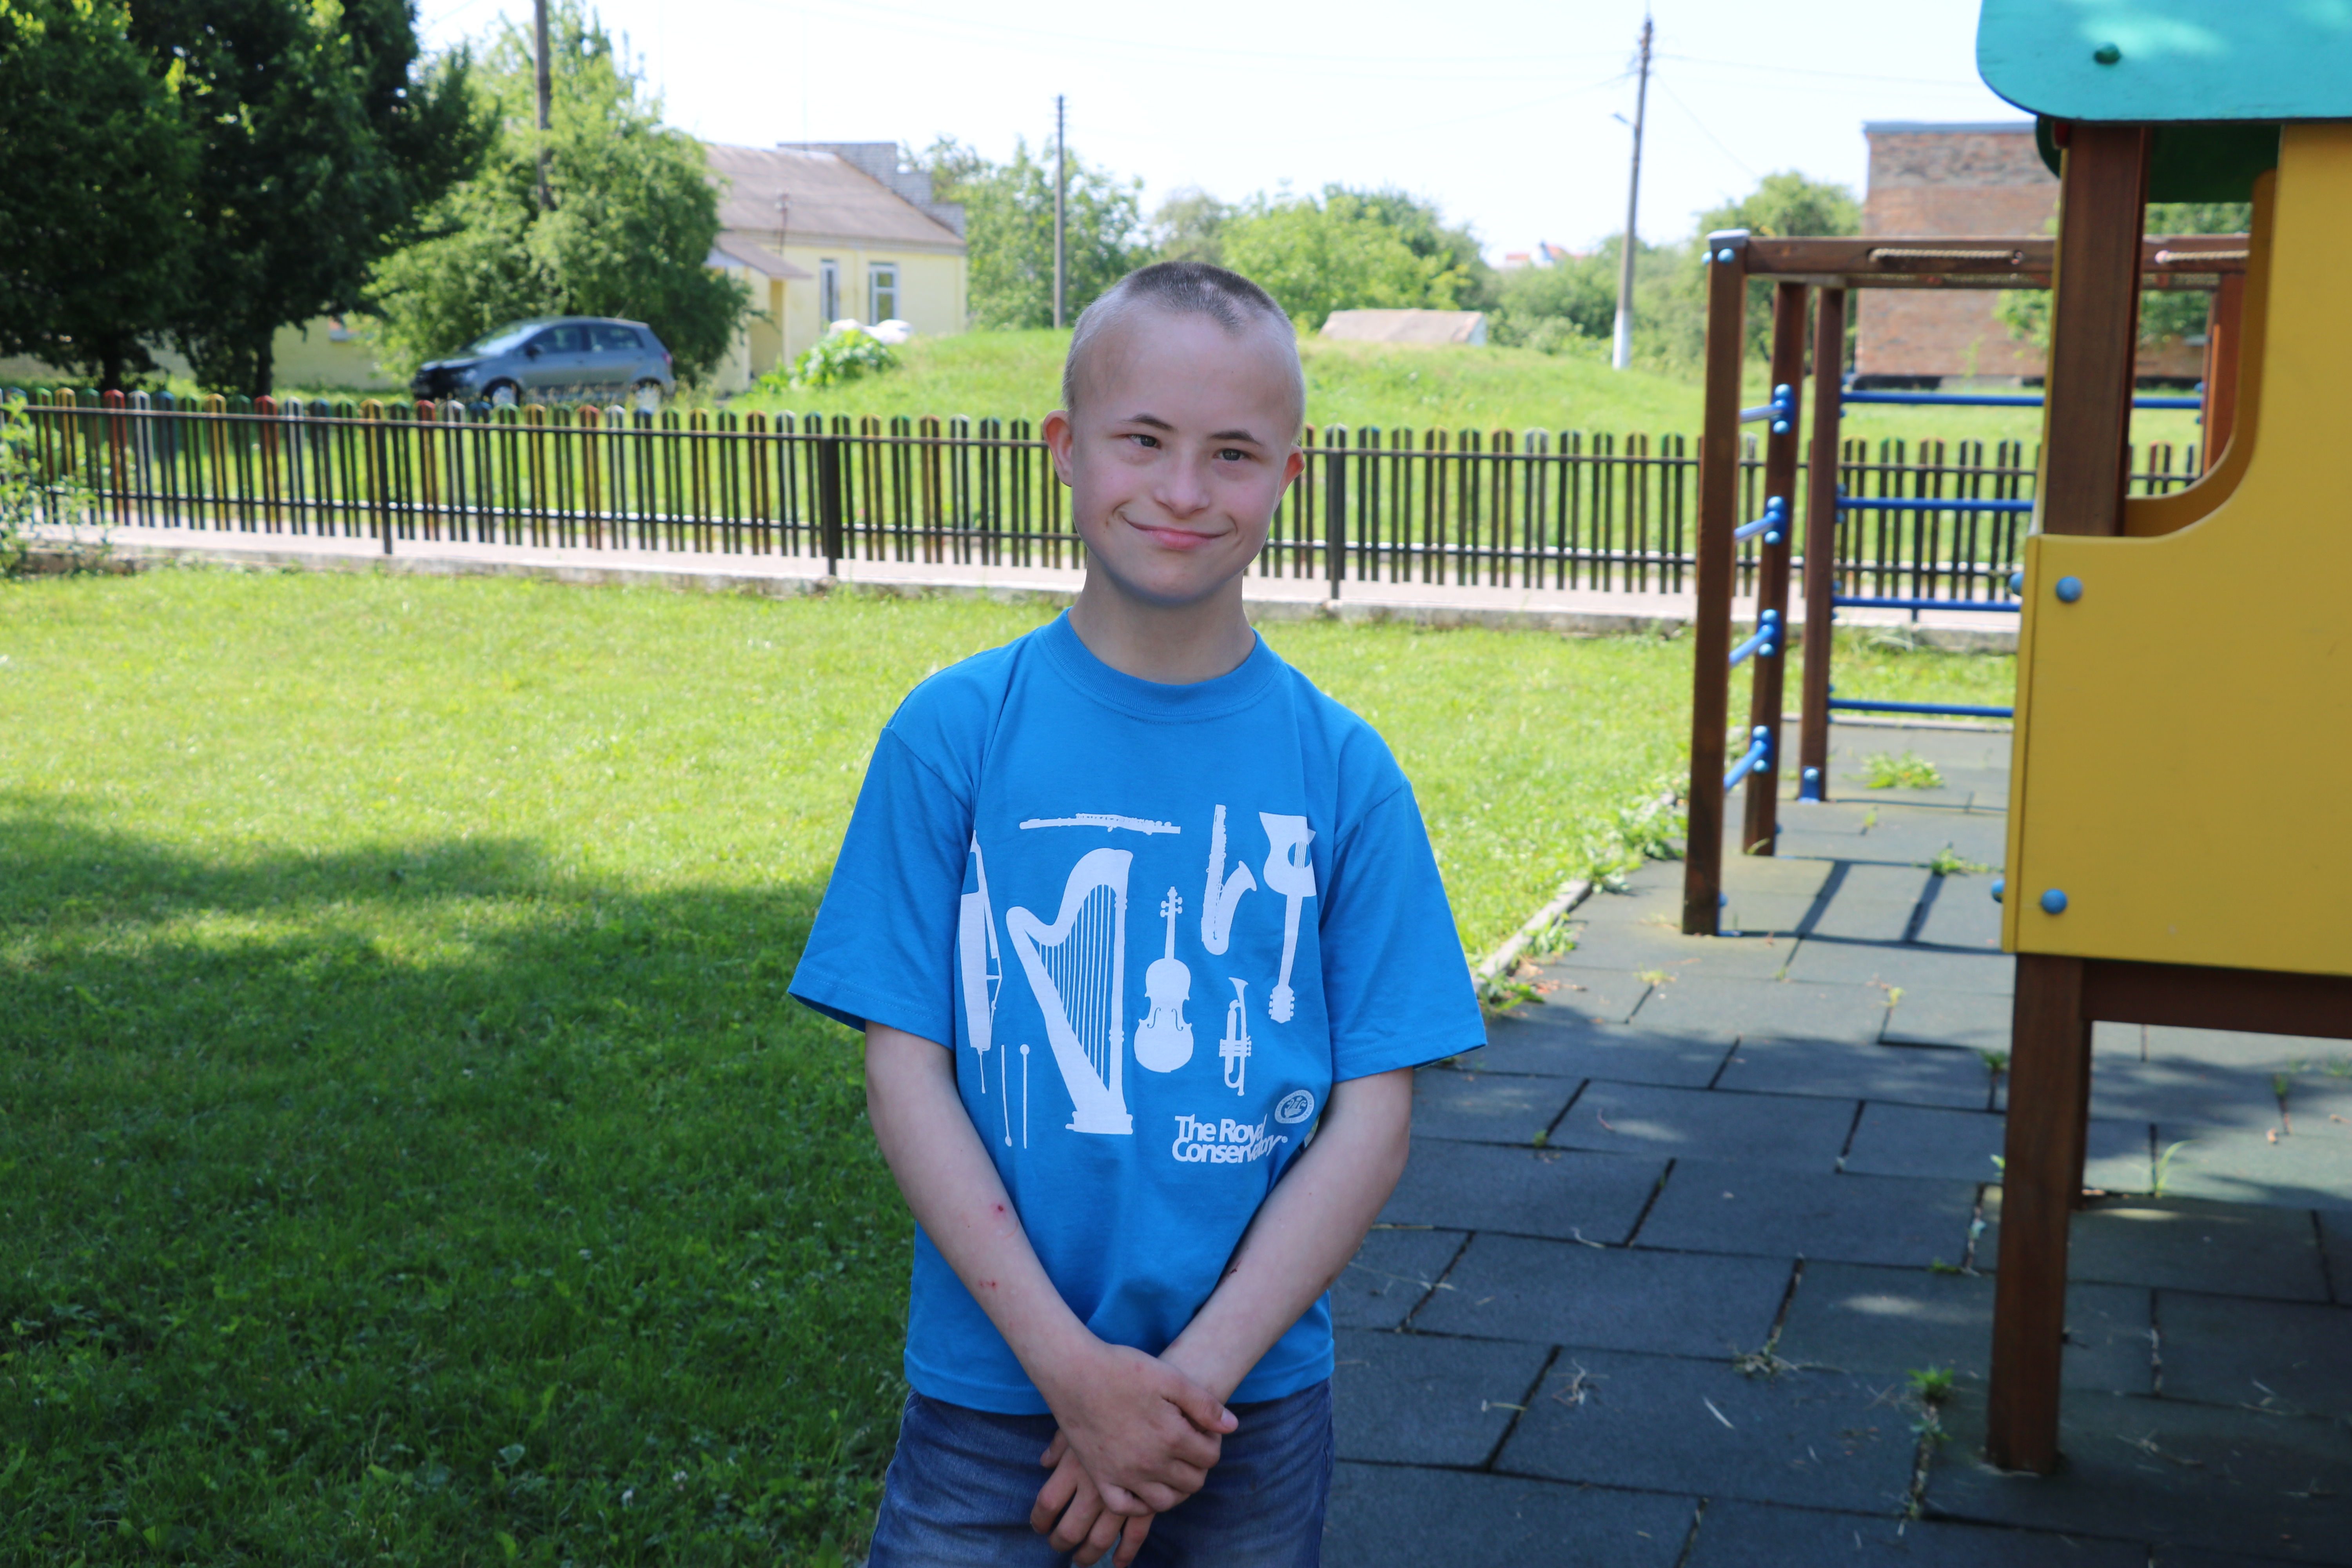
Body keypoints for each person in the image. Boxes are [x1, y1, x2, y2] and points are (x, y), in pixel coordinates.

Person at [789, 261, 1485, 1567]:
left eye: (1233, 454)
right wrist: (1075, 1376)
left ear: (1290, 475)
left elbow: (1374, 1117)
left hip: (1244, 1409)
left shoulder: (1346, 771)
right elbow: (905, 1071)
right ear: (1065, 448)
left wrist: (1188, 1386)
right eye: (1144, 440)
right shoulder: (954, 736)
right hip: (995, 1391)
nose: (1182, 490)